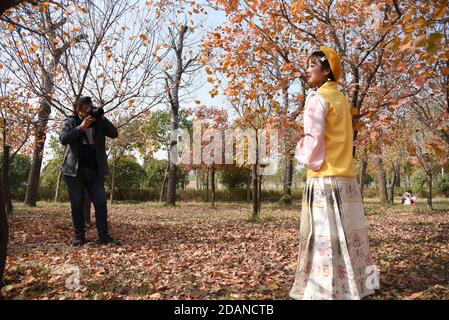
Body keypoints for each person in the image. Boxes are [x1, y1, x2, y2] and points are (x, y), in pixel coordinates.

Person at [290, 47, 376, 299]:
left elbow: (314, 139)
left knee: (324, 236)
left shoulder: (317, 99)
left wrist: (303, 154)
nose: (307, 69)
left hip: (324, 177)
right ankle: (360, 285)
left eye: (312, 65)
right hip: (346, 179)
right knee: (349, 237)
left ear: (326, 70)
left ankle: (323, 289)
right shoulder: (342, 100)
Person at [59, 96, 119, 246]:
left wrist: (101, 117)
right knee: (77, 204)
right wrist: (81, 127)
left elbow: (114, 133)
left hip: (95, 171)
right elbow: (63, 139)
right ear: (79, 110)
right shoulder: (71, 121)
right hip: (74, 171)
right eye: (87, 109)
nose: (90, 110)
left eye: (91, 107)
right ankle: (79, 236)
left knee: (100, 202)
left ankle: (104, 236)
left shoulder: (99, 122)